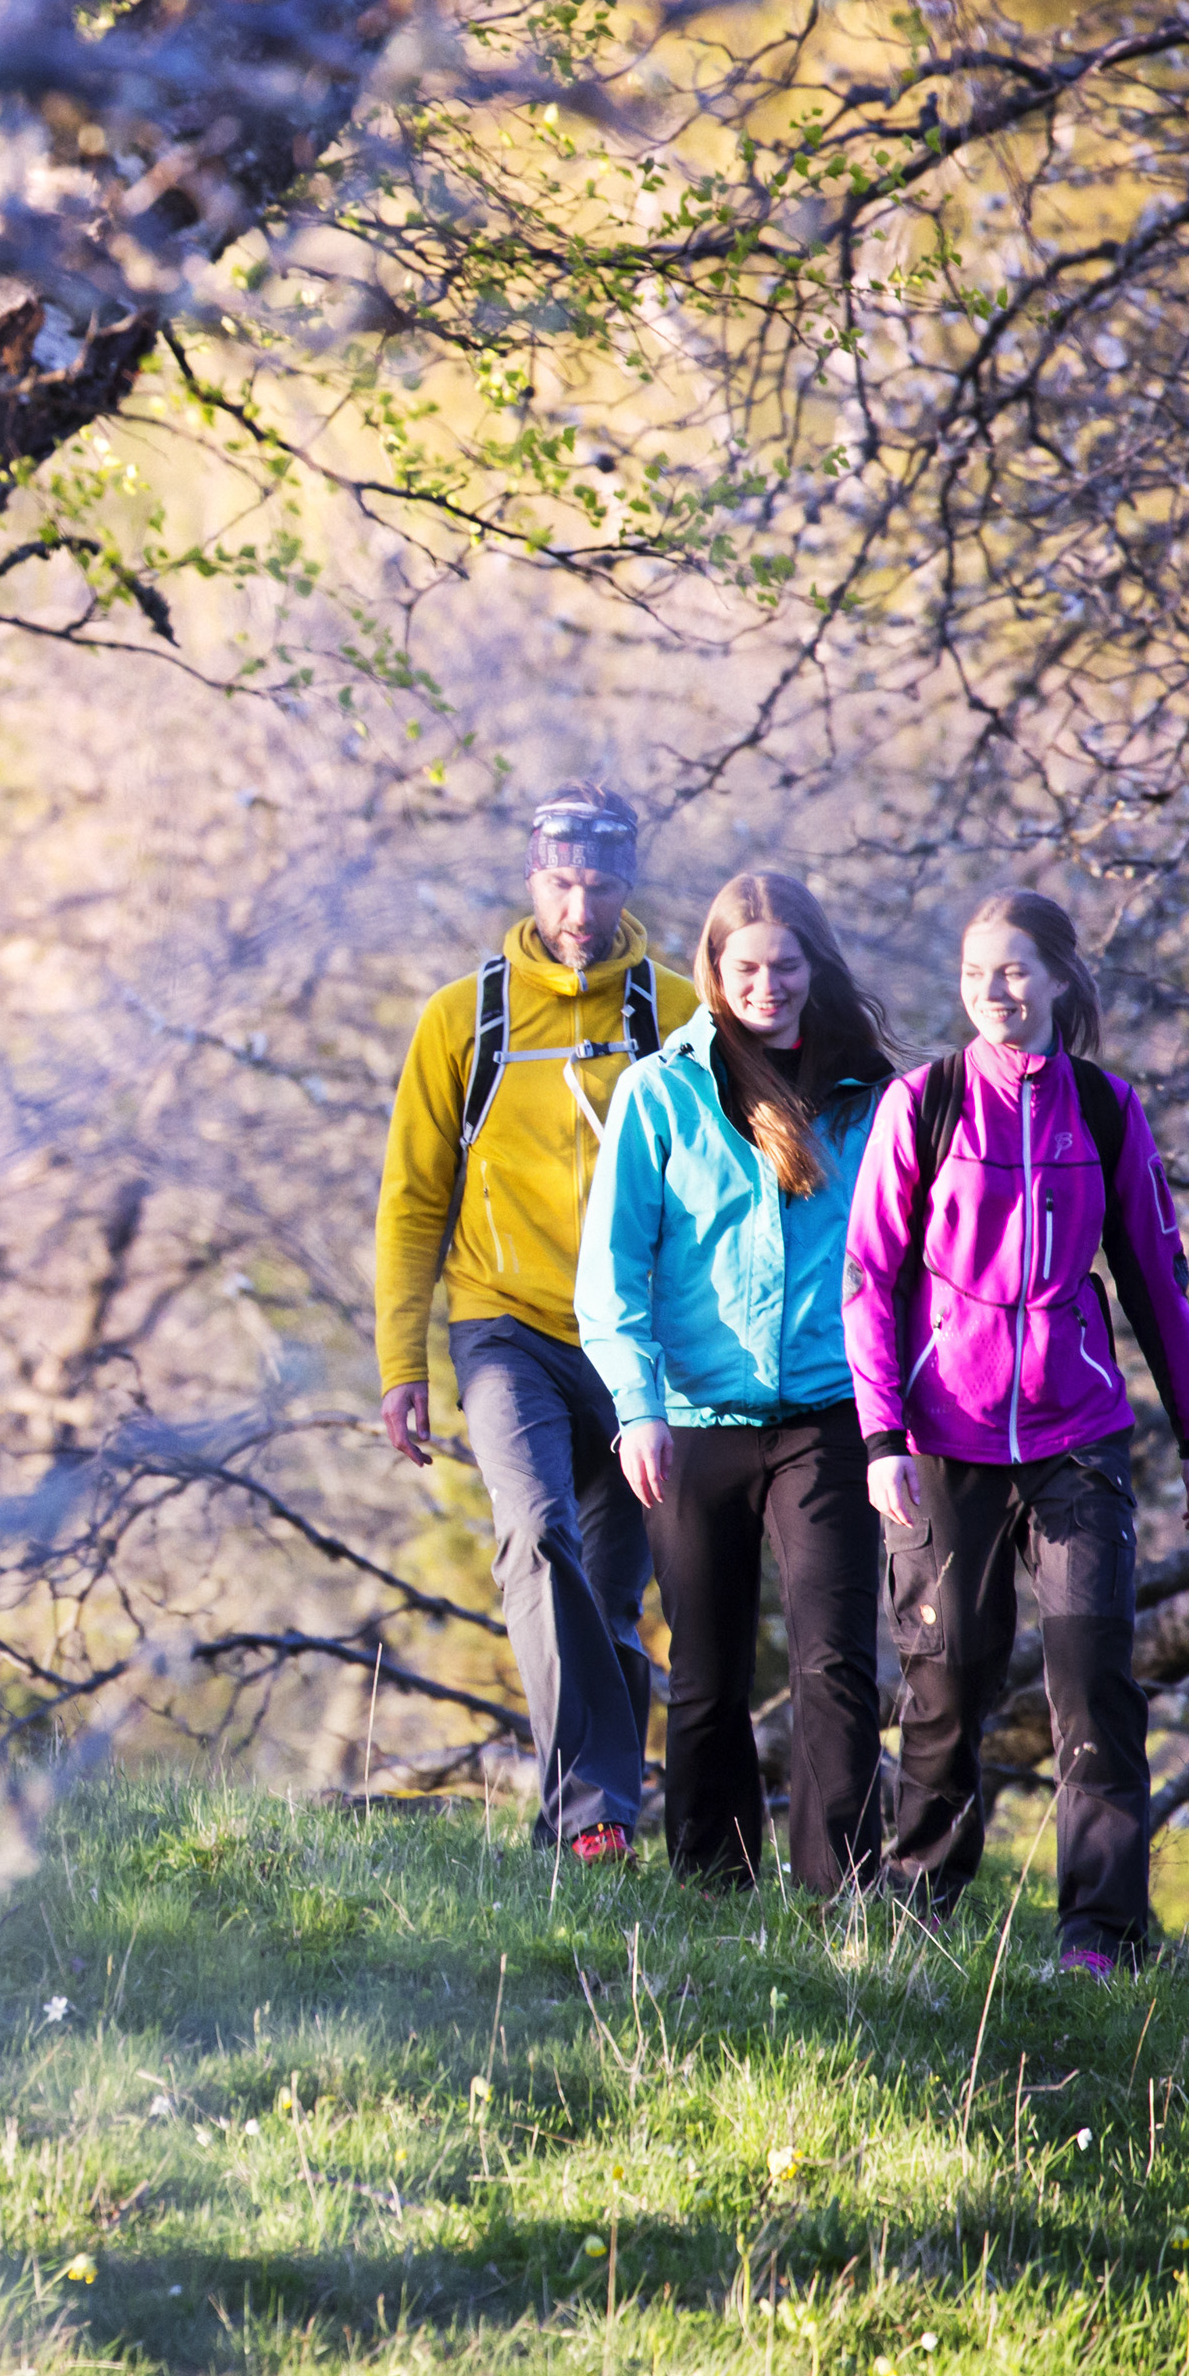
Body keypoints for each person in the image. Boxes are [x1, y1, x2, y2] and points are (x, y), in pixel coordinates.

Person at [843, 888, 1189, 1977]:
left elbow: (1155, 1281)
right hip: (942, 1435)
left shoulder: (1105, 1110)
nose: (993, 991)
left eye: (1013, 970)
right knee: (945, 1680)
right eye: (975, 974)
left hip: (1078, 1432)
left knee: (1094, 1681)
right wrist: (881, 1437)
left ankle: (1099, 1935)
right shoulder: (923, 1101)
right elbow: (868, 1278)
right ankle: (919, 1904)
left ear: (1059, 976)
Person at [374, 782, 695, 1861]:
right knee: (536, 1532)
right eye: (560, 882)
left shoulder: (679, 1016)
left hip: (638, 1342)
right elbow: (413, 1201)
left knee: (610, 1593)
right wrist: (401, 1364)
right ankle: (596, 1815)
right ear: (530, 877)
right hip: (504, 1328)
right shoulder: (462, 1019)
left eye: (600, 883)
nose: (579, 907)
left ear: (628, 881)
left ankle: (586, 1825)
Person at [575, 872, 899, 1895]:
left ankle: (839, 1890)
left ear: (816, 966)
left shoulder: (871, 1096)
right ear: (713, 970)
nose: (767, 984)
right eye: (745, 965)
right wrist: (637, 1410)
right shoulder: (658, 1092)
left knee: (833, 1662)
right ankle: (711, 1885)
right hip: (692, 1419)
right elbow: (611, 1274)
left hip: (829, 1415)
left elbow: (904, 1258)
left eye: (785, 964)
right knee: (706, 1670)